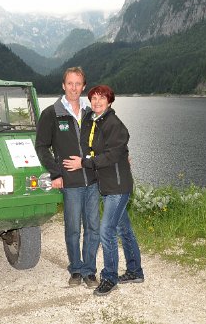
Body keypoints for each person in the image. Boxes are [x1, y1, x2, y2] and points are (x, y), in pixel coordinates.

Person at [63, 84, 144, 297]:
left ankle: (109, 277)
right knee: (124, 229)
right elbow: (92, 145)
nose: (97, 102)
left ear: (109, 101)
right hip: (108, 186)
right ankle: (135, 271)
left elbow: (111, 155)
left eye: (102, 98)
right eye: (94, 98)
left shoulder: (114, 124)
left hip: (118, 186)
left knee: (106, 231)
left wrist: (84, 163)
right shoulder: (95, 120)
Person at [35, 67, 100, 288]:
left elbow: (102, 143)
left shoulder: (91, 113)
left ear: (84, 86)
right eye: (70, 83)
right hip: (70, 183)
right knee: (73, 229)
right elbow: (42, 147)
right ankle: (76, 270)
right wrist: (55, 173)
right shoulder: (51, 113)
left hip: (92, 180)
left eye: (78, 83)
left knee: (93, 228)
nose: (74, 88)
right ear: (63, 85)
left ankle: (89, 271)